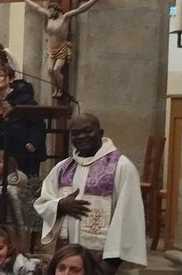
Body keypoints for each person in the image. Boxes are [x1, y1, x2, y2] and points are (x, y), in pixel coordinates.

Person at [34, 114, 146, 274]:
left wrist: (111, 262)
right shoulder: (63, 168)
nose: (81, 137)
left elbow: (128, 217)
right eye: (76, 133)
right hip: (68, 260)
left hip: (105, 261)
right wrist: (60, 205)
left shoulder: (121, 167)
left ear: (100, 132)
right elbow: (43, 201)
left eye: (87, 131)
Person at [20, 0, 107, 99]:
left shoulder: (65, 17)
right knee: (49, 70)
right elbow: (37, 8)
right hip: (51, 49)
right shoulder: (49, 16)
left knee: (56, 70)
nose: (49, 13)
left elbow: (81, 9)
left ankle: (60, 89)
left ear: (57, 10)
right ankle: (55, 88)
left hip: (61, 48)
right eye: (49, 10)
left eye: (51, 10)